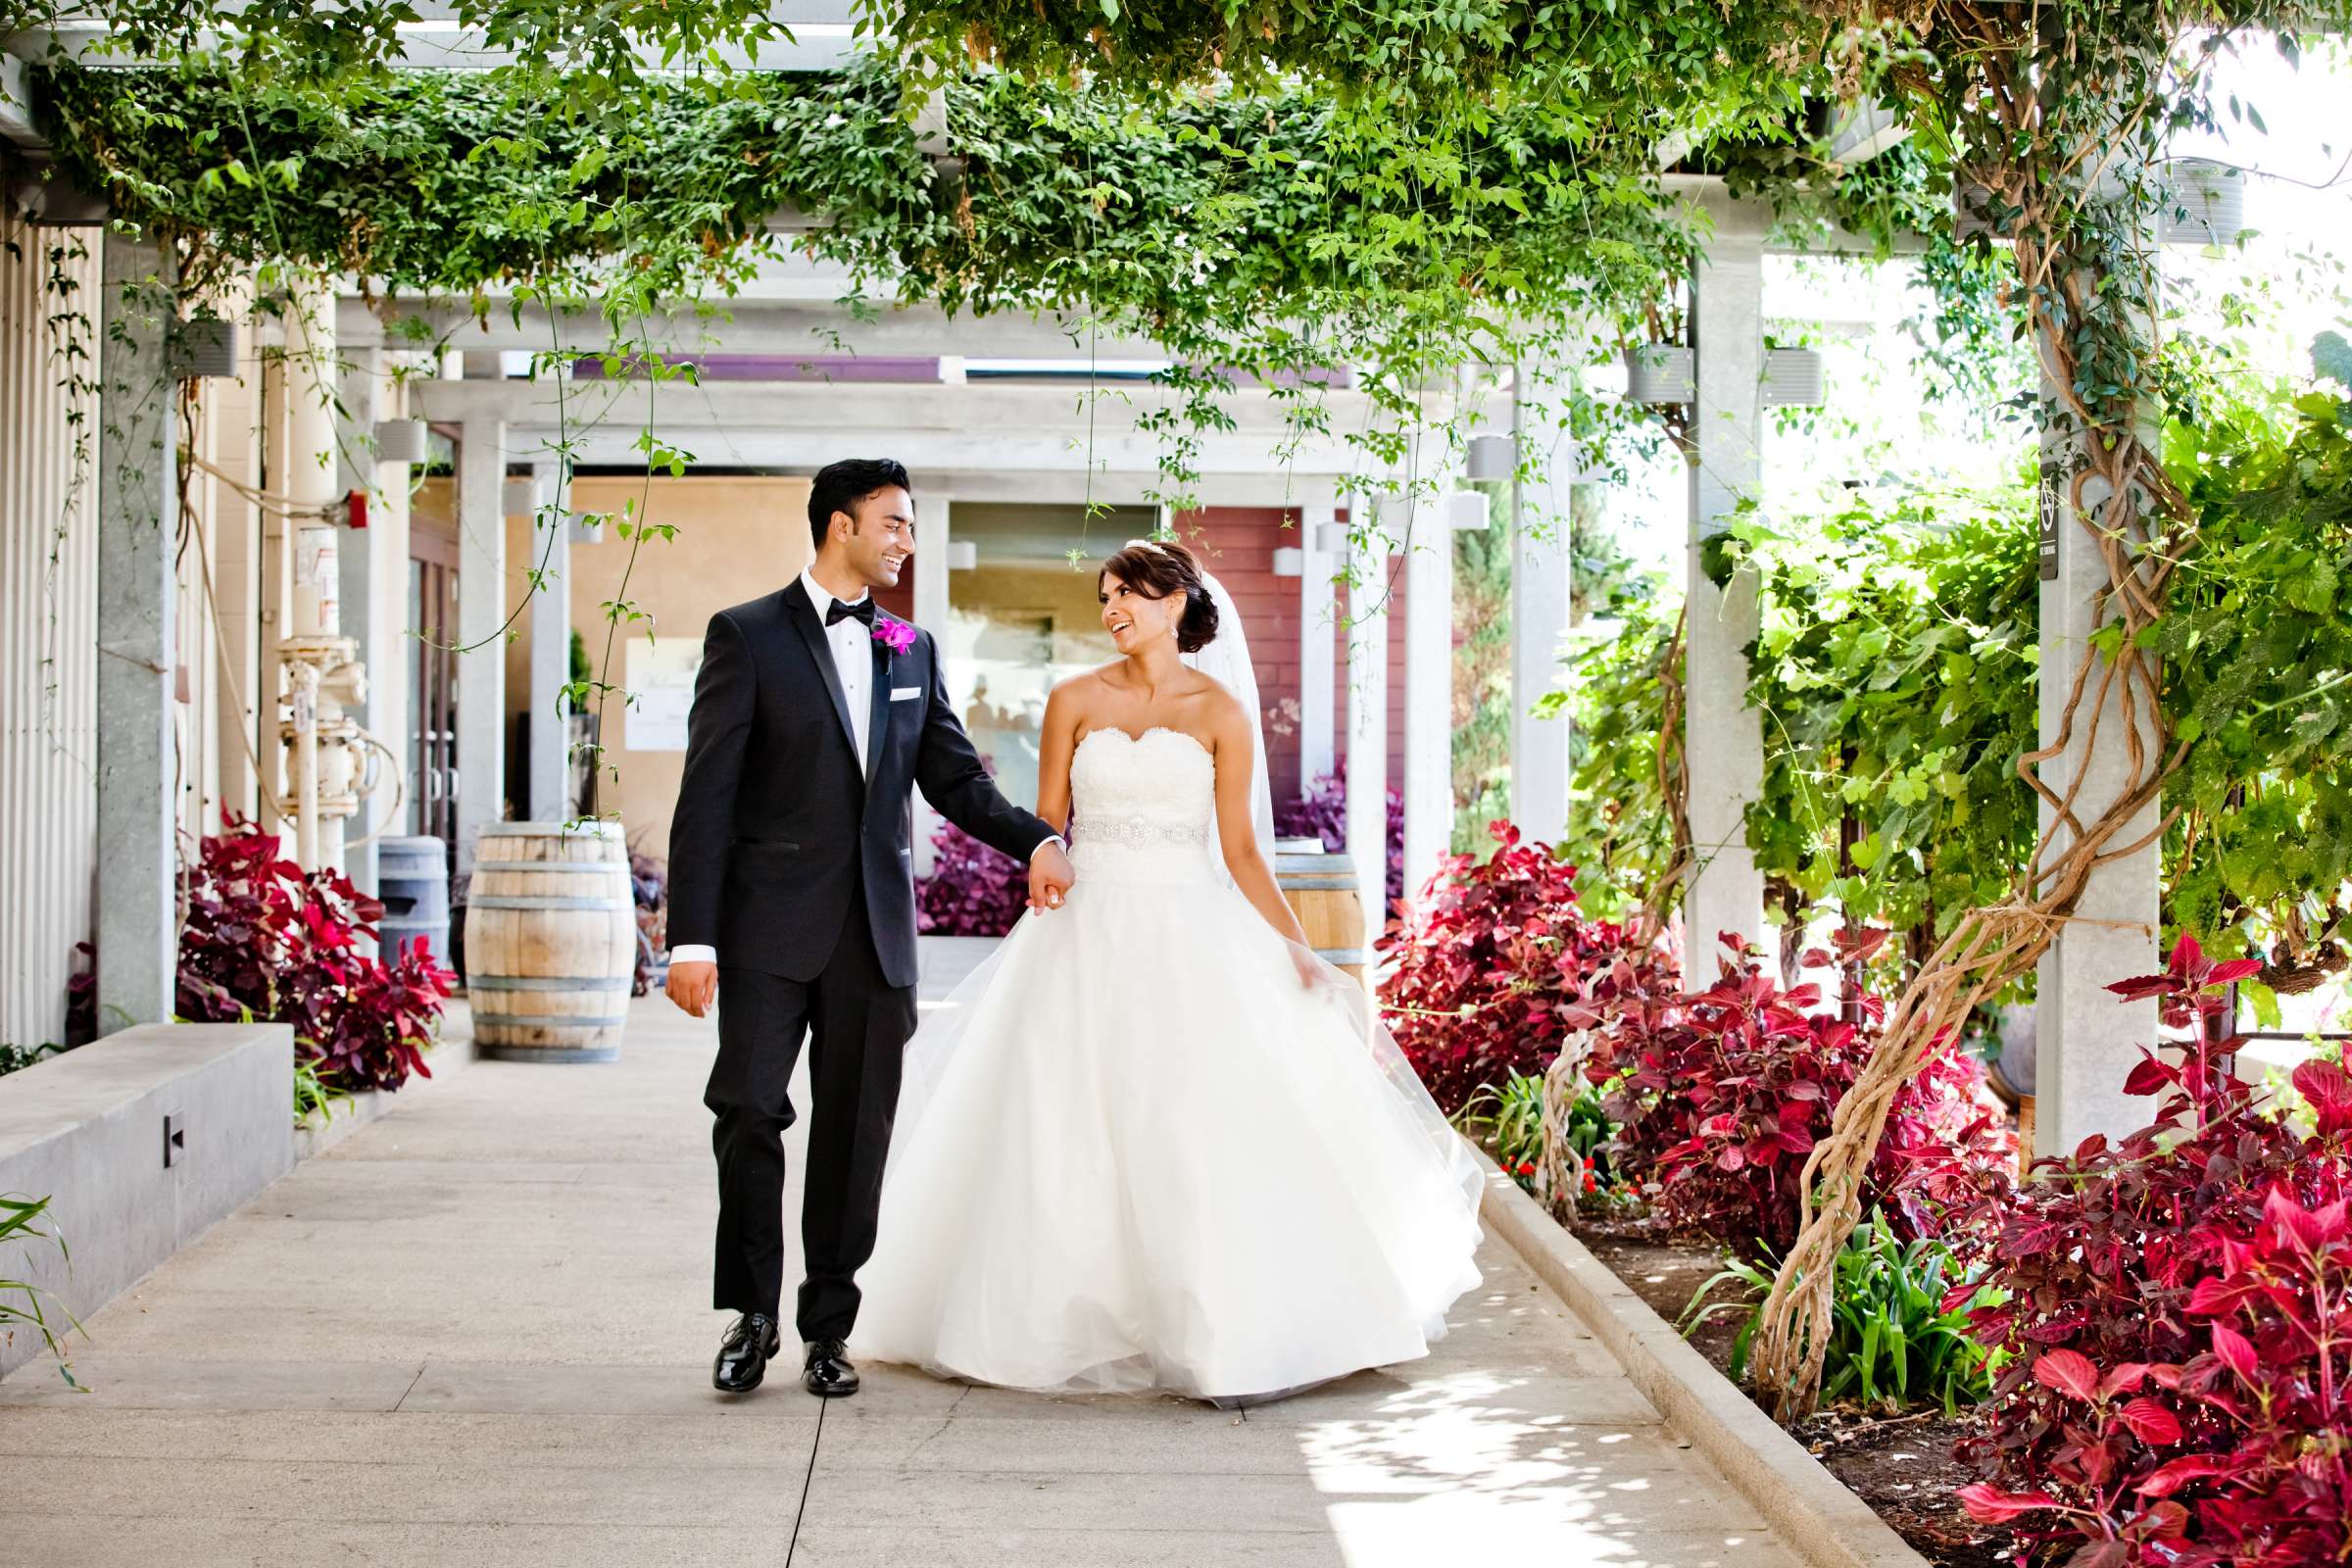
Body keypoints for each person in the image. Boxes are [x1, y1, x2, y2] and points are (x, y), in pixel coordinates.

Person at [852, 538, 1483, 1402]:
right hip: (1084, 931)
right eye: (1105, 596)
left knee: (1187, 1118)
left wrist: (1297, 944)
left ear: (1176, 603)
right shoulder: (1072, 699)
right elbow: (1045, 826)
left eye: (1131, 595)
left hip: (1191, 929)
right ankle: (1056, 1314)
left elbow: (1241, 852)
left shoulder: (1220, 711)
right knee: (1063, 1117)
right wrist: (1042, 864)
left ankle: (1217, 1324)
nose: (1113, 610)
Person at [665, 458, 1078, 1397]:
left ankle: (827, 1329)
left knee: (857, 1135)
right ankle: (753, 1315)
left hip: (876, 939)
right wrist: (694, 939)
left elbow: (956, 780)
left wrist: (1039, 838)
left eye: (911, 525)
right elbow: (708, 798)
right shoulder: (747, 636)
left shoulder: (911, 647)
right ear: (840, 525)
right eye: (894, 523)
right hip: (767, 931)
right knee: (748, 1113)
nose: (906, 540)